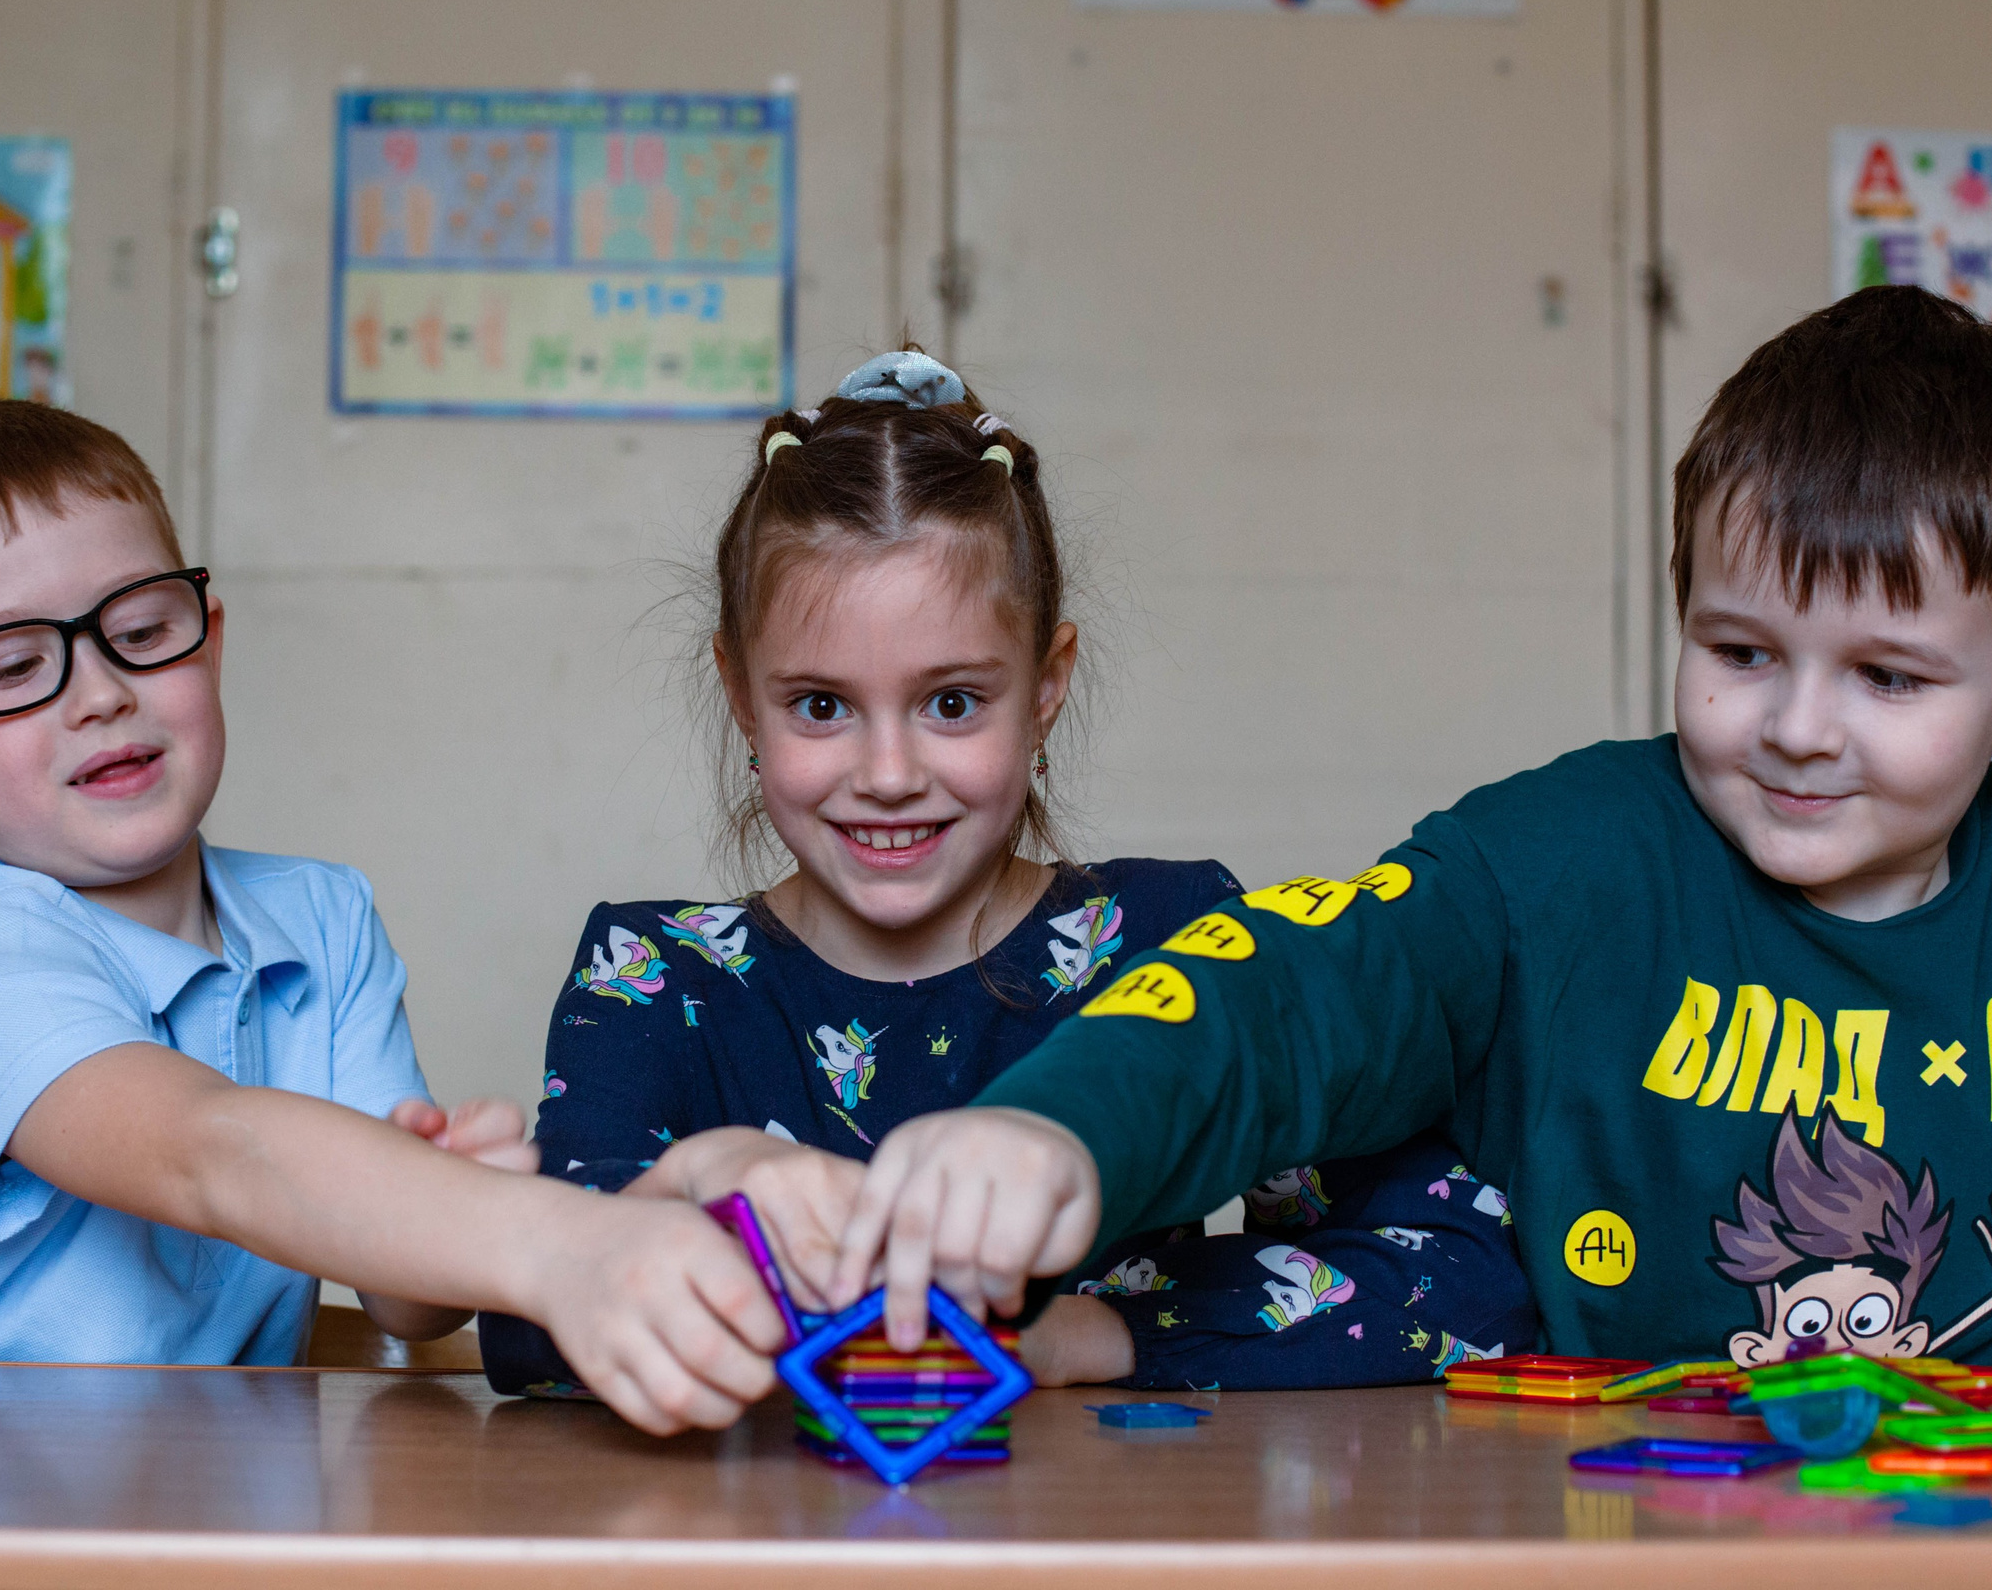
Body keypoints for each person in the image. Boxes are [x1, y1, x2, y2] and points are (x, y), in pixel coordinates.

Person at [813, 286, 1992, 1390]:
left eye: (1888, 676)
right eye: (1741, 649)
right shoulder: (1562, 858)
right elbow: (1287, 993)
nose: (1800, 726)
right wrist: (1062, 1131)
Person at [483, 351, 1533, 1395]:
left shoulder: (1181, 939)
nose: (886, 775)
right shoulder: (650, 976)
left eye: (950, 702)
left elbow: (1462, 1276)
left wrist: (1083, 1335)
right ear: (739, 694)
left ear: (1045, 688)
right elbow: (532, 1325)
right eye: (818, 703)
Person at [0, 401, 782, 1433]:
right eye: (13, 667)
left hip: (201, 1527)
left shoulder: (319, 918)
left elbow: (409, 1302)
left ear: (209, 641)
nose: (99, 692)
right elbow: (212, 1152)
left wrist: (444, 1193)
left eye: (142, 632)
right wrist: (546, 1239)